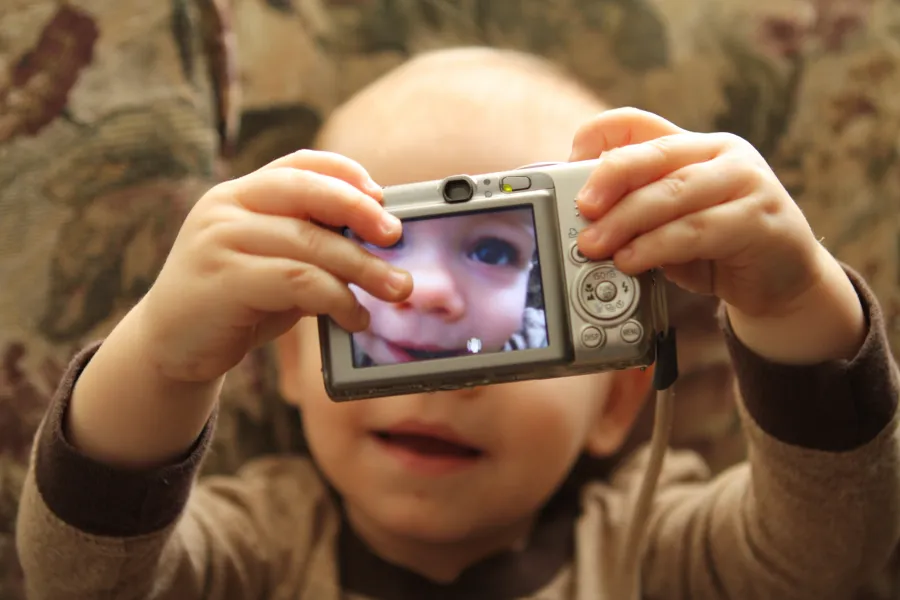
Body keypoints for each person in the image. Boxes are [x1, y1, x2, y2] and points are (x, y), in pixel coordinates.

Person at [16, 47, 899, 600]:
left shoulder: (651, 547)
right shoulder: (254, 548)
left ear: (616, 402)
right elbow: (84, 583)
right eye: (382, 244)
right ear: (292, 358)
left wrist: (790, 306)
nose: (432, 300)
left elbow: (830, 554)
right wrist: (162, 363)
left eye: (493, 253)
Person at [346, 208, 547, 367]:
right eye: (381, 241)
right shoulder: (327, 339)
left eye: (491, 252)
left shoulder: (542, 344)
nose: (425, 292)